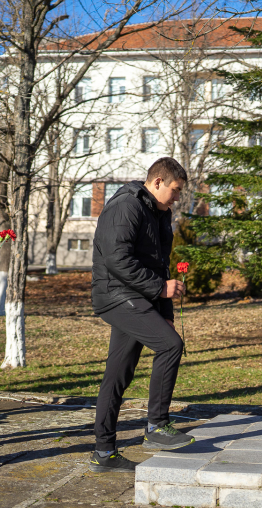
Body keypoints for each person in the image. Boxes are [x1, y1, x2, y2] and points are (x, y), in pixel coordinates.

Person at [89, 157, 193, 472]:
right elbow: (117, 259)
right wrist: (161, 290)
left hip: (138, 297)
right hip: (116, 294)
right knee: (171, 345)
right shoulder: (126, 206)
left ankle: (103, 453)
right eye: (175, 190)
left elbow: (159, 263)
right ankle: (156, 427)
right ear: (157, 182)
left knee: (118, 373)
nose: (177, 197)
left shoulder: (159, 212)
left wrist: (165, 310)